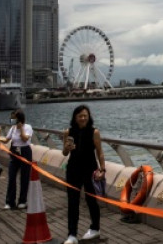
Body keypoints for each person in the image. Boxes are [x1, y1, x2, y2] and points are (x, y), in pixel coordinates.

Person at [62, 105, 106, 244]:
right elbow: (64, 153)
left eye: (85, 116)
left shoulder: (94, 132)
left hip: (90, 170)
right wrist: (67, 148)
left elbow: (100, 152)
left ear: (89, 117)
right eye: (80, 116)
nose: (83, 118)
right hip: (73, 170)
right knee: (72, 202)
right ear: (75, 117)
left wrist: (102, 169)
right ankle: (72, 235)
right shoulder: (68, 132)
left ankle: (95, 228)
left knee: (91, 200)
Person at [1, 109, 33, 209]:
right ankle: (10, 201)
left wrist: (21, 129)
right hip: (14, 152)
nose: (12, 120)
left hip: (25, 152)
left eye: (13, 118)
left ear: (19, 119)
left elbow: (25, 139)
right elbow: (6, 140)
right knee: (11, 177)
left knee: (24, 177)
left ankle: (22, 201)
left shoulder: (28, 127)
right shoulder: (12, 128)